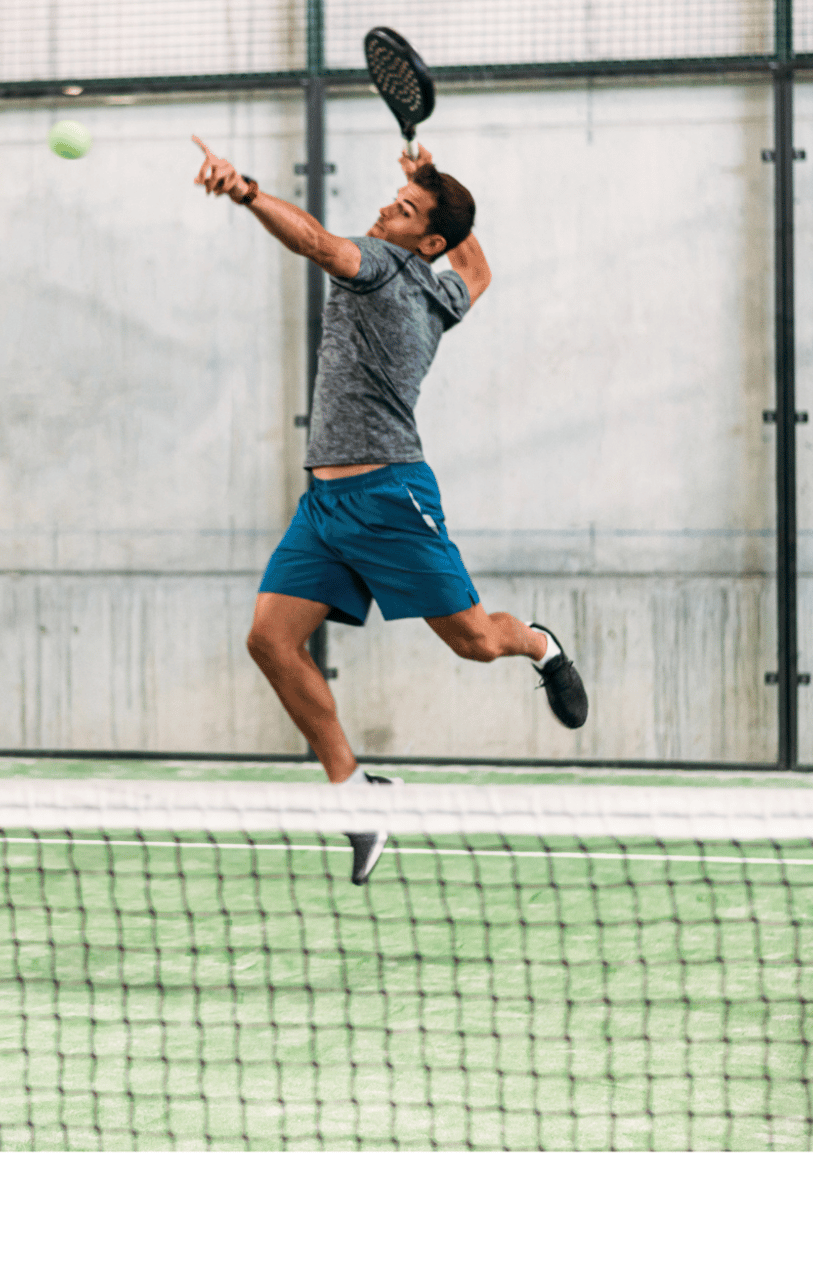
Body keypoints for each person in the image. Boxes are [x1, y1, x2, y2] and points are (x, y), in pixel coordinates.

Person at [192, 136, 589, 885]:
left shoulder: (379, 268)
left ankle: (539, 645)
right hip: (326, 505)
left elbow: (313, 241)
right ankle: (355, 795)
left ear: (425, 240)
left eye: (404, 209)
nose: (386, 207)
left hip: (391, 497)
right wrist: (425, 182)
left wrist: (245, 191)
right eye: (394, 199)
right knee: (272, 642)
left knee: (474, 642)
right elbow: (478, 265)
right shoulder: (445, 293)